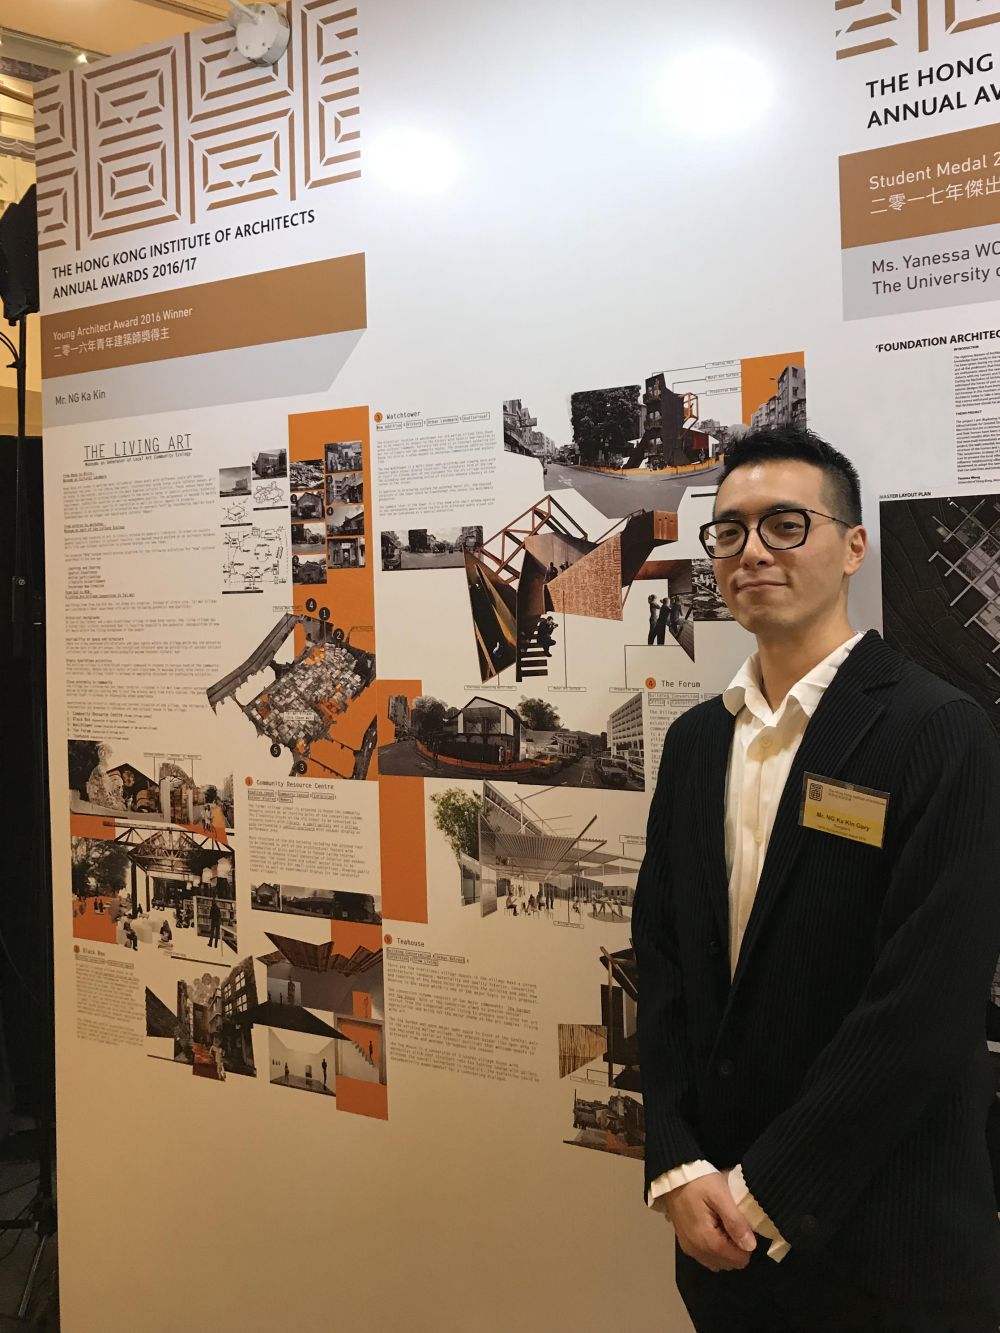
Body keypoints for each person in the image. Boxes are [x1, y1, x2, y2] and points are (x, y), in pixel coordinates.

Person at [633, 423, 1000, 1333]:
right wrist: (675, 1160)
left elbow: (926, 1002)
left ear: (854, 547)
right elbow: (663, 955)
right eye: (729, 531)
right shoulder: (695, 742)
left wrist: (764, 1190)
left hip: (885, 1243)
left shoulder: (938, 729)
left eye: (785, 524)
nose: (752, 551)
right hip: (720, 1244)